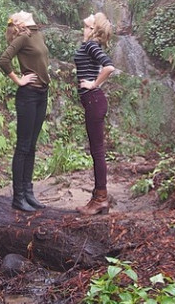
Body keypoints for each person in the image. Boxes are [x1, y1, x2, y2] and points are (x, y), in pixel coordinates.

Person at [0, 11, 50, 212]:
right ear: (19, 22)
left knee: (32, 146)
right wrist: (19, 79)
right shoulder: (23, 37)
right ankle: (18, 197)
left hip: (42, 94)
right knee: (23, 146)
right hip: (28, 95)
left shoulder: (37, 34)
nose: (23, 10)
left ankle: (29, 193)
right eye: (18, 13)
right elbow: (3, 60)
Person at [74, 12, 115, 215]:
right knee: (96, 151)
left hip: (94, 99)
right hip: (93, 101)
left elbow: (109, 67)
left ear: (93, 29)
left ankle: (100, 199)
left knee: (97, 152)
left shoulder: (91, 45)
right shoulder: (89, 44)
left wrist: (93, 84)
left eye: (90, 19)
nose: (86, 18)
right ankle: (97, 197)